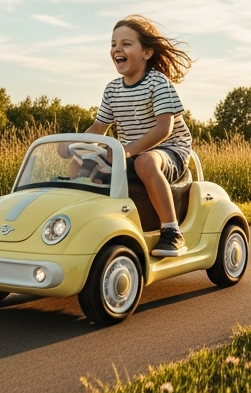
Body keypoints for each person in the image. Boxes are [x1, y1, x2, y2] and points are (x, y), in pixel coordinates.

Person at [81, 16, 195, 257]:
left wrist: (128, 151)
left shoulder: (157, 82)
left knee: (146, 162)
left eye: (126, 44)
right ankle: (85, 225)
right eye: (113, 44)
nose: (117, 49)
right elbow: (98, 128)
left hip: (170, 149)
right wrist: (74, 144)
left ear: (146, 52)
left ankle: (171, 231)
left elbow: (164, 129)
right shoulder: (112, 89)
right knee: (81, 163)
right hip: (130, 152)